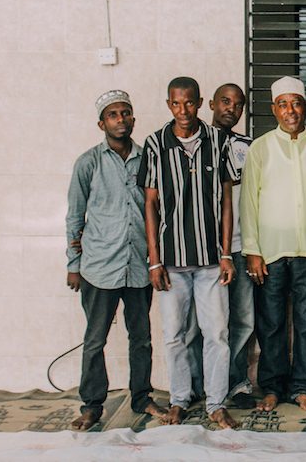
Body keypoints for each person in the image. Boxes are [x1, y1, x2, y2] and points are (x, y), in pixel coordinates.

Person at [138, 76, 238, 429]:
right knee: (174, 335)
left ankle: (215, 403)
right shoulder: (154, 145)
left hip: (211, 261)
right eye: (176, 104)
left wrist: (227, 253)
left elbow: (226, 200)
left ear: (200, 103)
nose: (183, 110)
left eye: (190, 103)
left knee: (217, 334)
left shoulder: (217, 141)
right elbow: (150, 206)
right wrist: (154, 260)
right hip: (171, 263)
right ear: (169, 104)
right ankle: (179, 399)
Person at [65, 90, 167, 430]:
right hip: (98, 267)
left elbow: (157, 210)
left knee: (142, 337)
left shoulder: (148, 160)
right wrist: (73, 265)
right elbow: (75, 217)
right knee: (95, 339)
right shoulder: (88, 162)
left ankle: (141, 396)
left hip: (139, 265)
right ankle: (92, 405)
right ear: (101, 123)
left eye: (126, 113)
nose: (120, 119)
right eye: (113, 114)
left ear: (133, 119)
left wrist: (156, 259)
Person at [241, 76, 306, 412]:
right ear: (274, 110)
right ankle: (271, 388)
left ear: (305, 107)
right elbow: (248, 202)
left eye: (296, 103)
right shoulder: (261, 148)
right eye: (283, 104)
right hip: (269, 252)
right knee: (270, 324)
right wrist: (252, 250)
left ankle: (303, 387)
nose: (290, 110)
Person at [209, 83, 256, 408]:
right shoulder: (193, 144)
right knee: (207, 324)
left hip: (240, 247)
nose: (231, 108)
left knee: (243, 319)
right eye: (225, 101)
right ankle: (204, 384)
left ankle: (237, 384)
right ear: (211, 103)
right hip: (202, 251)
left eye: (238, 104)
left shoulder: (248, 148)